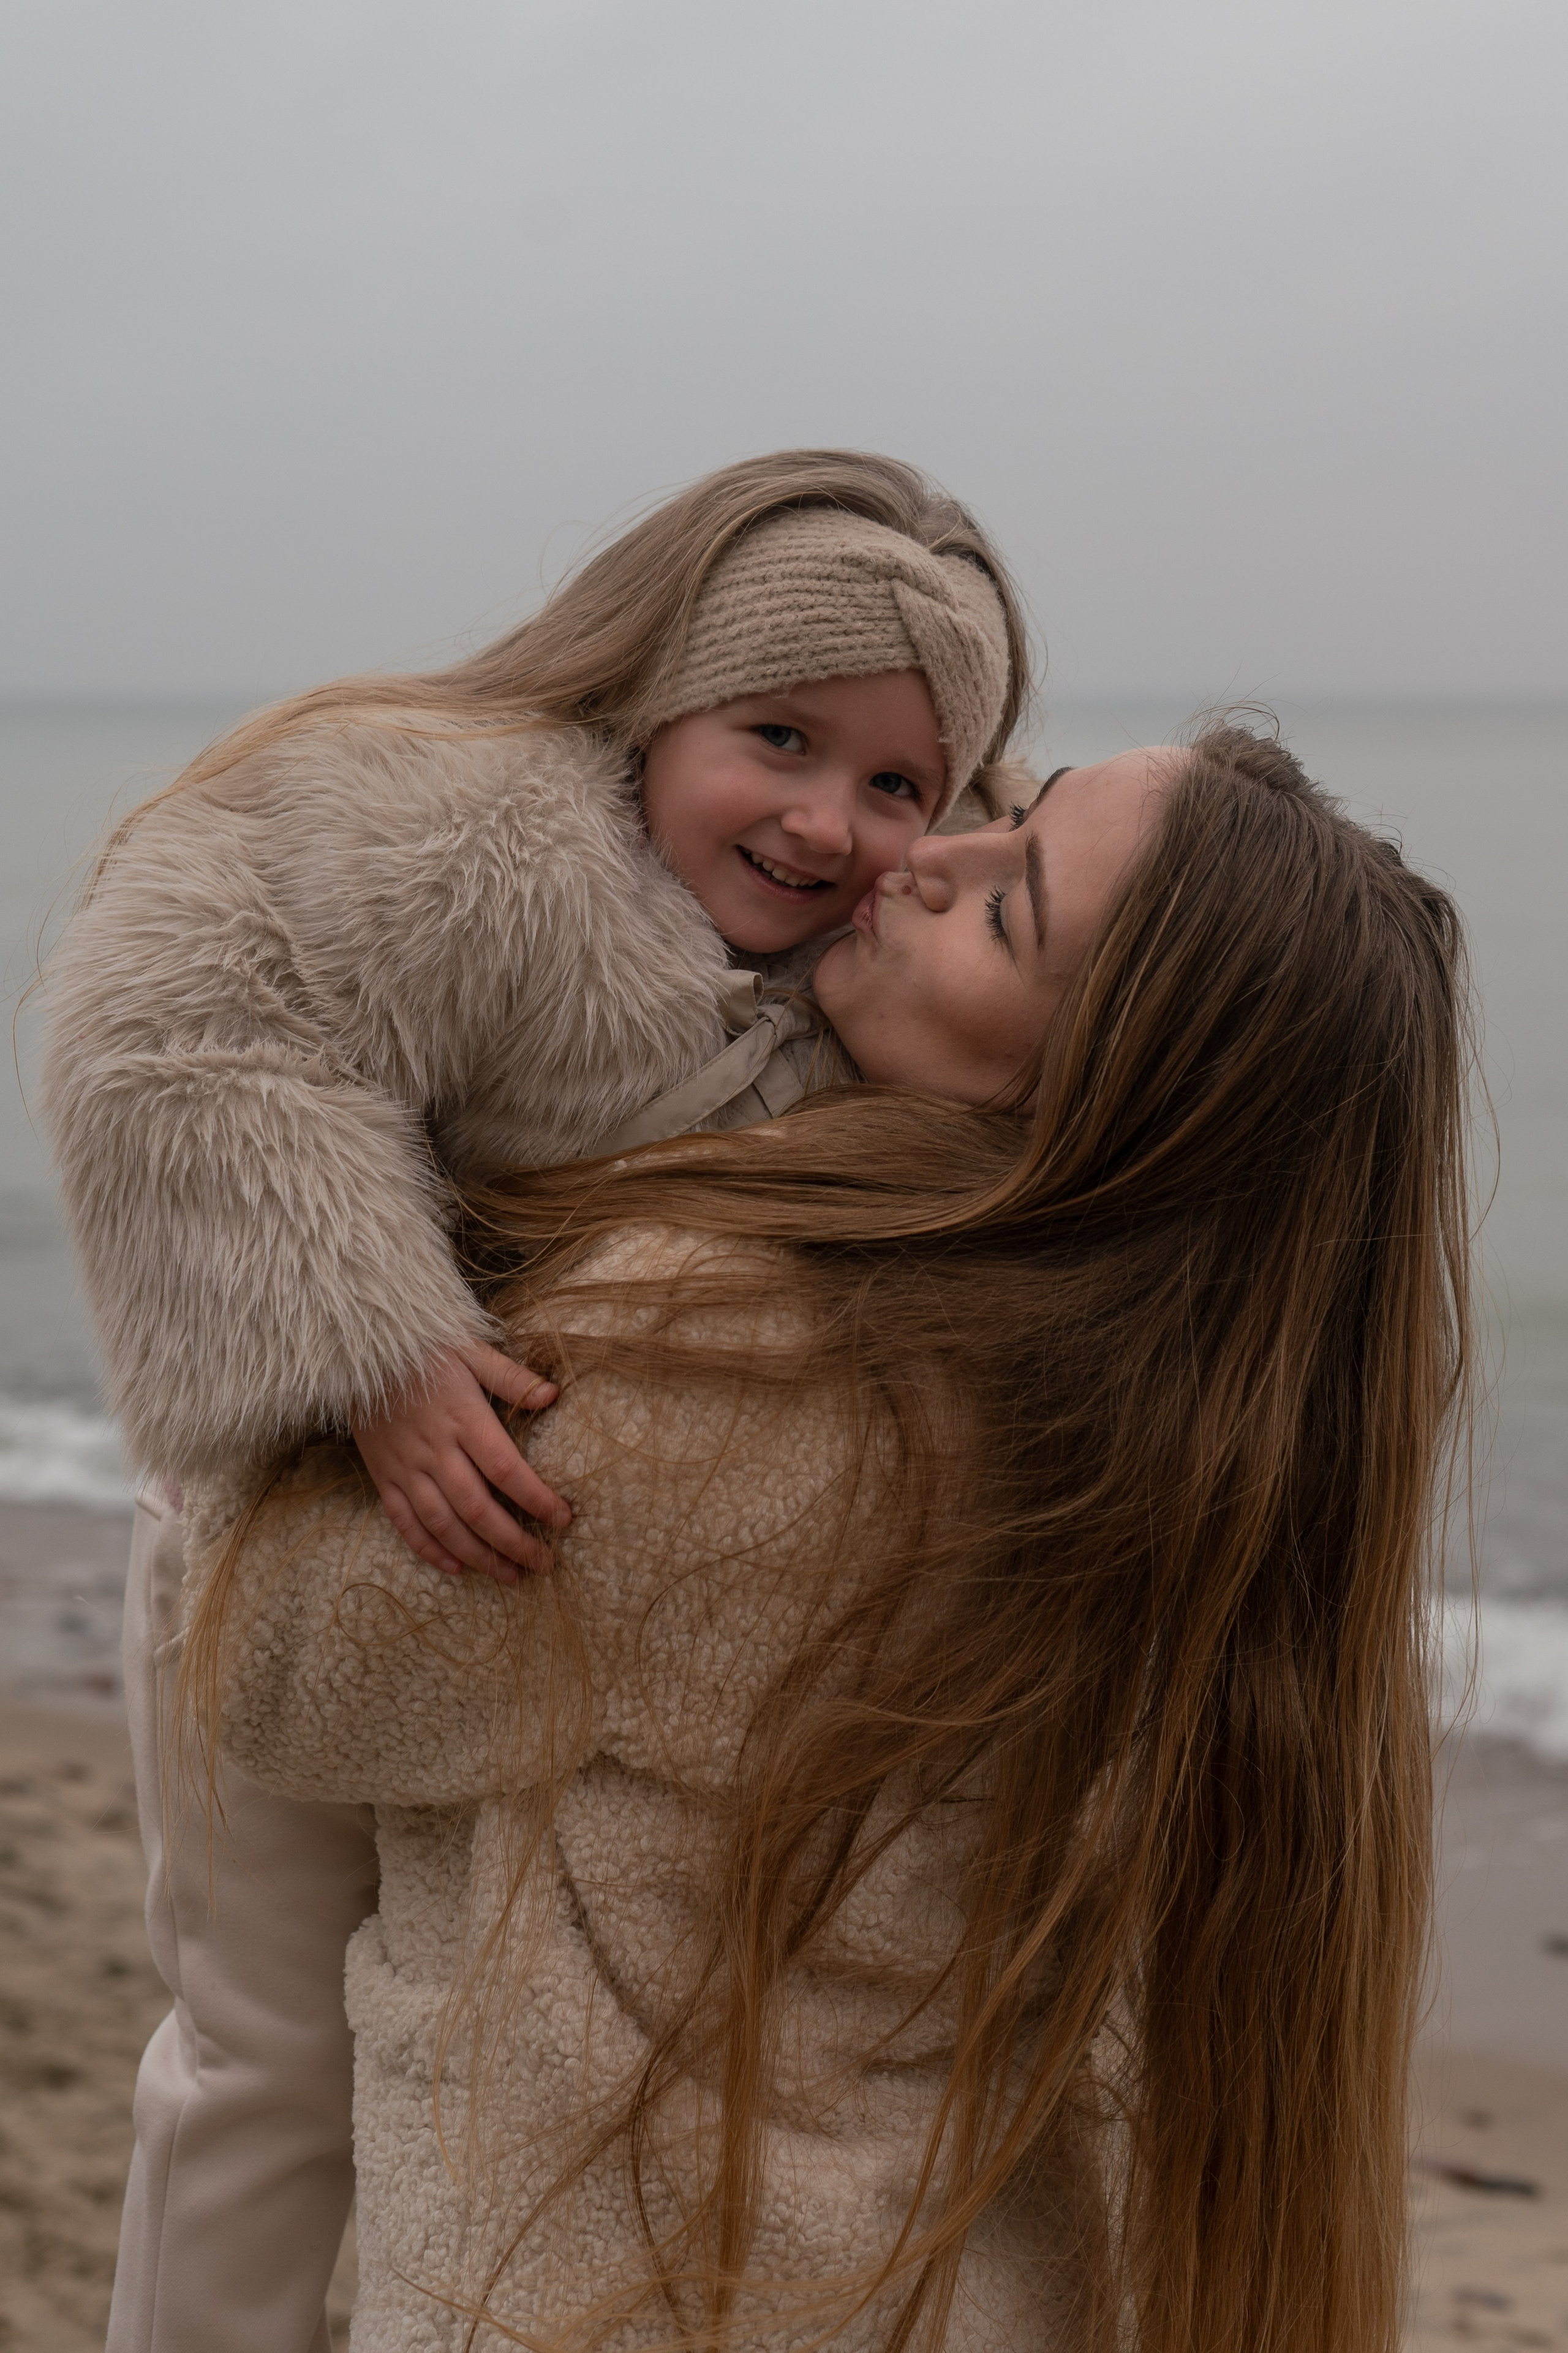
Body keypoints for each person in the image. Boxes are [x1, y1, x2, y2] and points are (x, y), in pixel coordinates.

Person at [183, 723, 1474, 2353]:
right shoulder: (1195, 1449)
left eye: (1007, 917)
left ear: (1109, 1101)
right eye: (1019, 814)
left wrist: (337, 1353)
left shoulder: (733, 1345)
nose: (923, 856)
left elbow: (293, 1678)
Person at [39, 450, 1030, 2353]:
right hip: (272, 1535)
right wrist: (374, 1341)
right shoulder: (465, 825)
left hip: (492, 1600)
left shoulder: (870, 967)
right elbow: (167, 1022)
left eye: (899, 780)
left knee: (429, 2035)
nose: (830, 820)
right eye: (779, 735)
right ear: (660, 692)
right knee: (257, 2056)